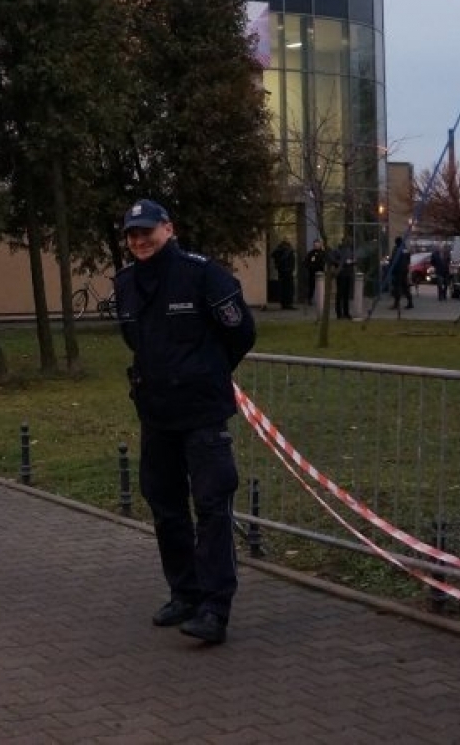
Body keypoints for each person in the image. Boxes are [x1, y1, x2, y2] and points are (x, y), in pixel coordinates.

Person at [113, 199, 256, 646]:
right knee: (165, 505)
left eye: (147, 231)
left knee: (211, 506)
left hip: (202, 412)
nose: (140, 240)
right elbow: (134, 339)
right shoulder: (125, 283)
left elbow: (241, 332)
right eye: (133, 234)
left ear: (169, 229)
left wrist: (207, 372)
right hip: (157, 414)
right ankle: (184, 593)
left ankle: (215, 608)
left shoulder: (202, 274)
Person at [389, 236, 413, 310]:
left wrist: (391, 269)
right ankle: (410, 302)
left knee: (397, 287)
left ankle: (396, 303)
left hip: (397, 271)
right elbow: (408, 260)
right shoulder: (405, 249)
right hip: (404, 270)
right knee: (405, 287)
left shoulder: (396, 249)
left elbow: (393, 260)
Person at [332, 244, 355, 320]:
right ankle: (339, 313)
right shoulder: (336, 251)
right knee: (340, 294)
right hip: (341, 274)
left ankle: (346, 312)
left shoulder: (349, 251)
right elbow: (333, 260)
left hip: (348, 274)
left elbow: (353, 259)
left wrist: (352, 262)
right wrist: (343, 262)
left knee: (346, 295)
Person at [271, 239, 296, 310]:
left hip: (281, 272)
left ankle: (284, 304)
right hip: (287, 272)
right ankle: (288, 304)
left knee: (283, 288)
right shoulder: (289, 251)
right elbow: (292, 262)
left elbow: (273, 255)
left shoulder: (278, 251)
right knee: (288, 288)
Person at [302, 239, 327, 308]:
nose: (316, 246)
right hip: (312, 273)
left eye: (317, 244)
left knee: (321, 287)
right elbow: (306, 262)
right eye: (315, 245)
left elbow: (325, 262)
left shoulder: (323, 253)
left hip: (321, 273)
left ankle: (321, 300)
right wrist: (310, 267)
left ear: (320, 245)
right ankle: (310, 299)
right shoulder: (311, 253)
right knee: (311, 287)